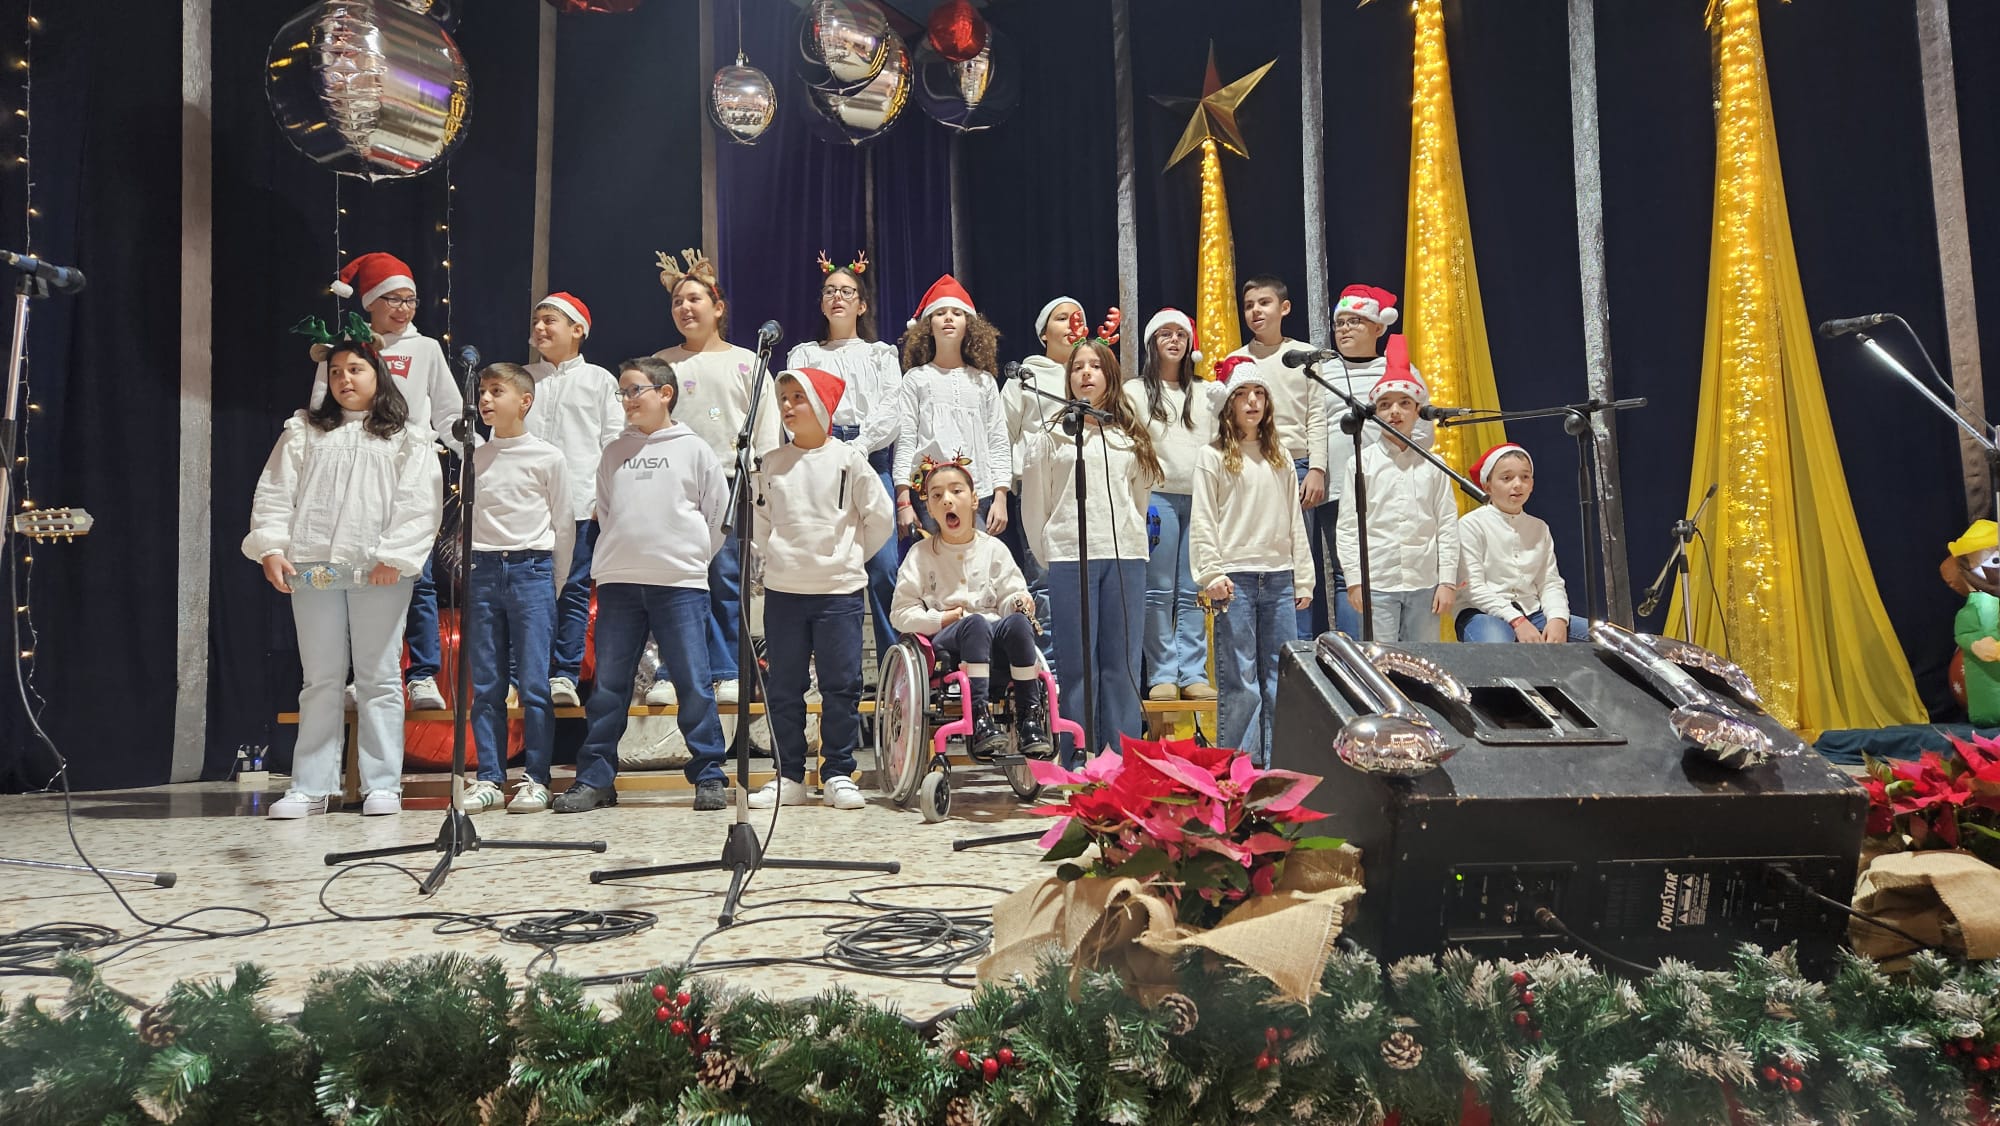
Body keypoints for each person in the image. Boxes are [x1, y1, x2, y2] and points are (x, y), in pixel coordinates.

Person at [250, 319, 442, 818]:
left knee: (379, 677)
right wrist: (272, 546)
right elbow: (275, 492)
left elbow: (420, 502)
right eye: (336, 371)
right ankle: (311, 785)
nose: (344, 379)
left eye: (355, 369)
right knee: (320, 678)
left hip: (377, 569)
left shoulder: (406, 437)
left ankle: (382, 783)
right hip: (313, 568)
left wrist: (394, 555)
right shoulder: (305, 432)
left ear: (378, 374)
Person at [554, 357, 731, 814]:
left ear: (665, 393)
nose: (628, 400)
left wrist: (689, 557)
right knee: (609, 687)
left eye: (636, 390)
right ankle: (596, 778)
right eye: (623, 392)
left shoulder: (694, 449)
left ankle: (709, 774)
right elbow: (607, 511)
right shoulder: (614, 452)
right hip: (619, 582)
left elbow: (718, 514)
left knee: (693, 683)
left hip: (680, 582)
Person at [308, 252, 462, 713]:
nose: (403, 308)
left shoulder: (426, 348)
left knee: (417, 575)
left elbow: (449, 412)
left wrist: (476, 451)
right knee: (354, 574)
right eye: (393, 299)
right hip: (352, 474)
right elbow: (321, 409)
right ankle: (367, 675)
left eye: (410, 300)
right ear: (370, 302)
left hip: (406, 469)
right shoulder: (346, 350)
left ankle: (422, 676)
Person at [749, 367, 895, 810]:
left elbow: (880, 519)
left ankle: (837, 773)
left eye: (798, 397)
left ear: (820, 404)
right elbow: (760, 523)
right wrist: (781, 557)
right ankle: (789, 776)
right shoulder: (772, 463)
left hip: (838, 591)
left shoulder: (849, 460)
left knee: (841, 685)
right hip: (784, 591)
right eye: (784, 398)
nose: (788, 406)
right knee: (784, 687)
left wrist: (848, 557)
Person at [1022, 323, 1162, 760]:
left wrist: (1130, 534)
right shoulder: (1051, 436)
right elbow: (1036, 503)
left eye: (1095, 366)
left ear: (1110, 376)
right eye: (1077, 367)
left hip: (1124, 556)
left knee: (1121, 664)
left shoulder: (1130, 435)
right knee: (1078, 665)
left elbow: (1139, 498)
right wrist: (1050, 550)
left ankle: (1120, 757)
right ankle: (1077, 756)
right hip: (1070, 556)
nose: (1085, 373)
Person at [651, 249, 781, 706]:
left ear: (718, 307)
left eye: (694, 299)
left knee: (726, 578)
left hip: (730, 483)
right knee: (675, 579)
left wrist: (762, 484)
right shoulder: (662, 363)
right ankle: (672, 670)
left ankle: (727, 670)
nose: (685, 308)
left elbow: (766, 428)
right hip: (674, 484)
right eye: (677, 302)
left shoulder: (748, 362)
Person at [456, 363, 574, 815]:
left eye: (496, 391)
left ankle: (537, 778)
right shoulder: (476, 456)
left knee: (534, 684)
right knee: (486, 683)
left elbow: (563, 525)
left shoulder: (548, 457)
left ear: (524, 401)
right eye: (482, 392)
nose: (485, 400)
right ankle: (489, 777)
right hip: (484, 570)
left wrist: (553, 582)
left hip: (532, 569)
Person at [1191, 360, 1314, 766]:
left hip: (1278, 576)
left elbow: (1294, 520)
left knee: (1281, 676)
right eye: (1243, 394)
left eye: (1259, 394)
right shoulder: (1212, 456)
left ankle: (1278, 762)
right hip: (1235, 578)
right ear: (1229, 404)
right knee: (1240, 679)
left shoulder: (1280, 457)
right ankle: (1241, 765)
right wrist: (1211, 572)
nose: (1252, 402)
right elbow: (1204, 519)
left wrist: (1303, 578)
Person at [784, 252, 903, 665]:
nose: (838, 297)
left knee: (884, 566)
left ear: (862, 305)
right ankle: (832, 667)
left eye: (847, 292)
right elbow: (796, 404)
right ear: (821, 303)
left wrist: (862, 444)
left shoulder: (880, 354)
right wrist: (827, 446)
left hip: (871, 457)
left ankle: (893, 667)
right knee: (825, 566)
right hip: (819, 456)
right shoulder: (805, 354)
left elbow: (892, 407)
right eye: (830, 291)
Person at [890, 457, 1052, 759]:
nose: (947, 500)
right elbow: (900, 613)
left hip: (994, 633)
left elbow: (1011, 592)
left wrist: (1018, 602)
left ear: (975, 499)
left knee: (1018, 623)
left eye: (956, 491)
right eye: (937, 495)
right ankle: (979, 717)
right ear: (930, 509)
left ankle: (1029, 718)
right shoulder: (920, 554)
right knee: (974, 623)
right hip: (949, 638)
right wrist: (941, 618)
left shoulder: (994, 549)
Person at [522, 292, 623, 710]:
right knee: (528, 589)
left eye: (550, 321)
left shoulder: (600, 380)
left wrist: (605, 497)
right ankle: (525, 672)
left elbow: (614, 442)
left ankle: (564, 672)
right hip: (525, 504)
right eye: (537, 321)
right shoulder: (522, 378)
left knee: (574, 588)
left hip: (580, 502)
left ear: (578, 330)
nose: (540, 328)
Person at [1223, 275, 1330, 638]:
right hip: (1249, 466)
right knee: (1255, 557)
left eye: (1264, 303)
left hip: (1295, 465)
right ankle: (1261, 644)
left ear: (1284, 308)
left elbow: (1317, 416)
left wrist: (1317, 468)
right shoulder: (1236, 360)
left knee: (1297, 560)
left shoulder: (1304, 356)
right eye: (1249, 305)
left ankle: (1298, 648)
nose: (1256, 311)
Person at [1334, 336, 1458, 644]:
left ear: (1418, 410)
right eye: (1385, 405)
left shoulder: (1433, 464)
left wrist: (1447, 581)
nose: (1395, 412)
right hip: (1378, 582)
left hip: (1424, 582)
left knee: (1424, 660)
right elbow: (1348, 527)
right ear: (1375, 413)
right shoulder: (1360, 462)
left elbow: (1446, 525)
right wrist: (1354, 580)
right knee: (1381, 660)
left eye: (1404, 403)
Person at [1126, 307, 1219, 702]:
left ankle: (1192, 672)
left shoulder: (1206, 392)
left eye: (1180, 334)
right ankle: (1162, 672)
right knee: (1158, 590)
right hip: (1157, 498)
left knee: (1194, 591)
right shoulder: (1134, 392)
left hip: (1200, 498)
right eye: (1165, 334)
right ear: (1152, 342)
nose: (1174, 340)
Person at [1317, 284, 1408, 640]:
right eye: (1339, 323)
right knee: (1347, 573)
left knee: (1389, 570)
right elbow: (1314, 426)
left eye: (1354, 321)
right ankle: (1354, 655)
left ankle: (1392, 650)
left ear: (1378, 326)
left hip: (1389, 487)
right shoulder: (1322, 372)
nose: (1344, 329)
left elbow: (1421, 431)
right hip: (1339, 489)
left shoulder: (1396, 368)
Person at [892, 275, 1011, 539]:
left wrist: (1001, 496)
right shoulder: (916, 379)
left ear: (969, 325)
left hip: (979, 492)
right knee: (938, 560)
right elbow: (905, 440)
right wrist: (903, 501)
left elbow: (998, 440)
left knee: (977, 560)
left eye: (957, 313)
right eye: (940, 313)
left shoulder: (984, 381)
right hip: (930, 493)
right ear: (928, 326)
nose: (948, 318)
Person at [1457, 443, 1587, 643]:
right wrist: (1516, 620)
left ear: (1532, 484)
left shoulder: (1539, 527)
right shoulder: (1470, 524)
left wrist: (1558, 618)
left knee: (1608, 642)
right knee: (1499, 646)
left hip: (1533, 612)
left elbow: (1549, 582)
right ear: (1487, 485)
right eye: (1507, 478)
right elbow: (1472, 588)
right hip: (1483, 613)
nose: (1517, 484)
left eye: (1525, 477)